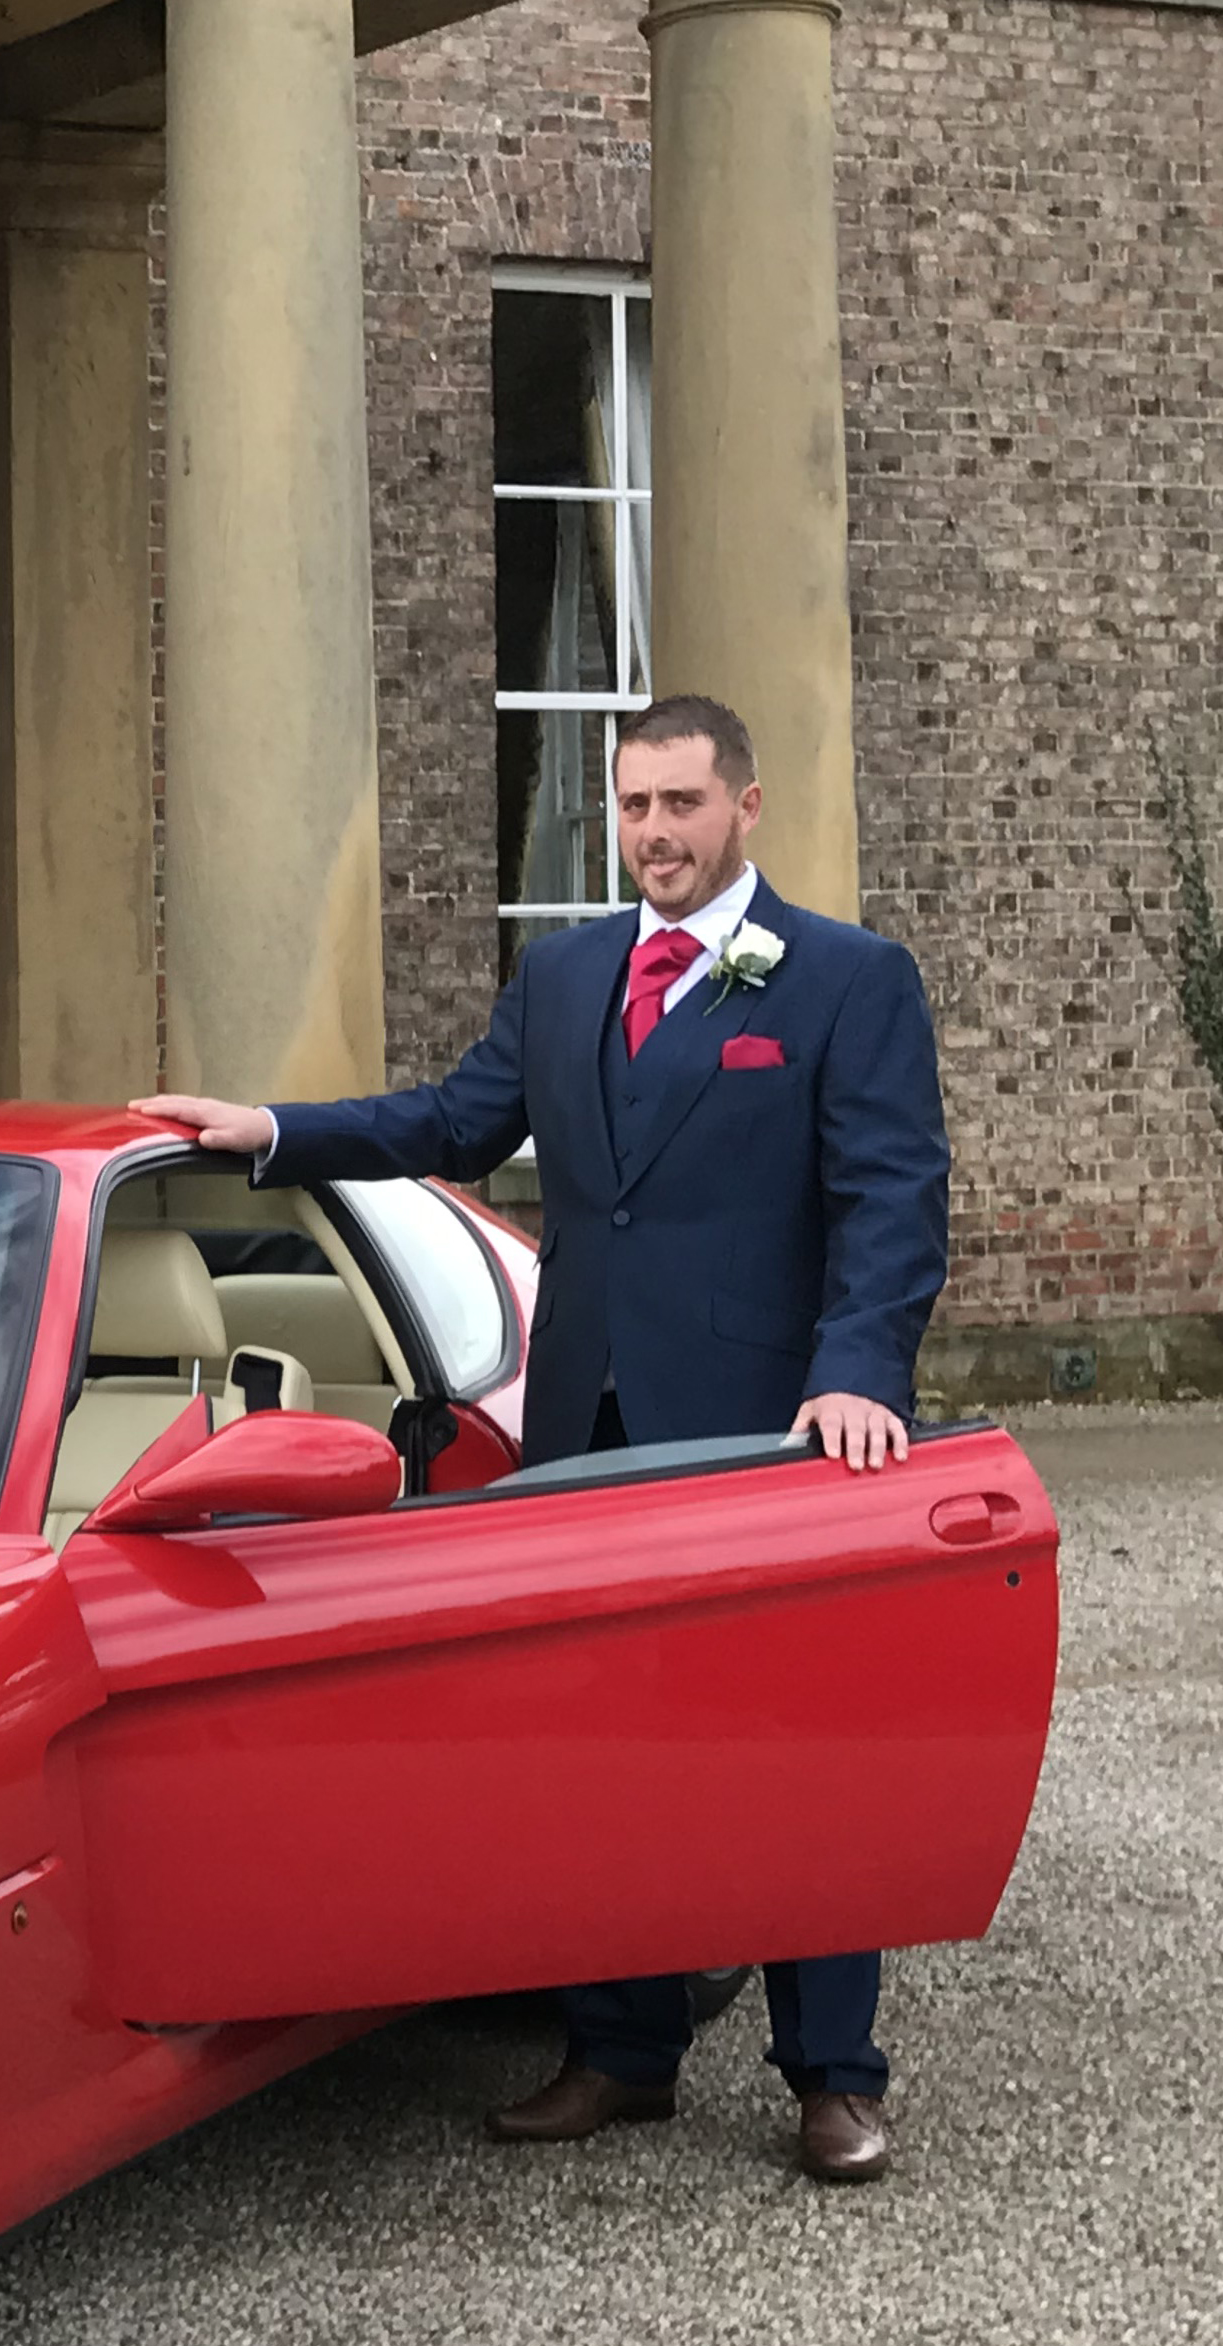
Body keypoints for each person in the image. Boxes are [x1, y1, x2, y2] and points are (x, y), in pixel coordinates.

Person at [132, 691, 950, 2185]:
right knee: (602, 1740)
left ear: (743, 809)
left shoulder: (845, 981)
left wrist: (858, 1376)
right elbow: (449, 1122)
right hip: (579, 1424)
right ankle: (620, 2051)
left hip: (767, 1436)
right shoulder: (564, 975)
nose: (652, 836)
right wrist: (269, 1132)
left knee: (790, 1754)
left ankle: (831, 2073)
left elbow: (891, 1203)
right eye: (632, 808)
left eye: (681, 808)